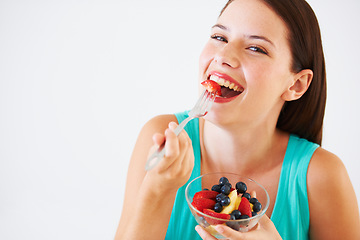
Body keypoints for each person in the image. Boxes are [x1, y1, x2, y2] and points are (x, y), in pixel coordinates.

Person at [115, 0, 360, 239]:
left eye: (256, 48)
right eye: (220, 38)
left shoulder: (321, 175)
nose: (223, 56)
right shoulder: (158, 135)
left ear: (296, 84)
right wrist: (157, 189)